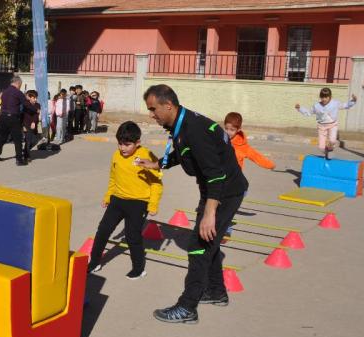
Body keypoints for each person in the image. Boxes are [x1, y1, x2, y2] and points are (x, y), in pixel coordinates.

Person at [137, 84, 248, 324]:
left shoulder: (193, 129)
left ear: (168, 105)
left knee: (198, 245)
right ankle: (216, 292)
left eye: (153, 109)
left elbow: (215, 174)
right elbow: (184, 153)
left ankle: (187, 307)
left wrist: (209, 213)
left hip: (224, 191)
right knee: (210, 242)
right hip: (216, 188)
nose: (151, 115)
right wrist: (157, 165)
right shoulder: (181, 125)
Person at [88, 121, 163, 278]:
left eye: (127, 145)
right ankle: (94, 262)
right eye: (120, 144)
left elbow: (157, 183)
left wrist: (153, 205)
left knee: (132, 236)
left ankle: (139, 267)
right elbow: (113, 178)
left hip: (138, 203)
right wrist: (108, 196)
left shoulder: (146, 156)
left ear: (138, 142)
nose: (122, 148)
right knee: (103, 231)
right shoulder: (116, 155)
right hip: (117, 200)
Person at [295, 88, 357, 159]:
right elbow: (308, 113)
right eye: (322, 97)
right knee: (321, 147)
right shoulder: (316, 106)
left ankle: (330, 150)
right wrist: (300, 109)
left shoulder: (335, 103)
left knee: (332, 141)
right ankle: (327, 152)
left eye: (326, 97)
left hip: (332, 125)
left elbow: (345, 105)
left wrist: (353, 101)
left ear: (330, 97)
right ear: (320, 97)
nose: (324, 99)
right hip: (321, 126)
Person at [0, 76, 30, 166]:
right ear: (17, 83)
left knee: (2, 137)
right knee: (17, 139)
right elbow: (26, 104)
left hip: (3, 117)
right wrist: (35, 109)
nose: (20, 86)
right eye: (20, 85)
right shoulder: (18, 92)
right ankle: (19, 160)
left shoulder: (4, 92)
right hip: (13, 117)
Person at [23, 90, 41, 157]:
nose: (35, 99)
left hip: (34, 125)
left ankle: (25, 150)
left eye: (36, 98)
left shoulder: (38, 105)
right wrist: (23, 126)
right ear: (30, 97)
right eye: (34, 98)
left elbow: (36, 115)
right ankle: (26, 156)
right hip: (26, 124)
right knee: (28, 140)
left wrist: (34, 122)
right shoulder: (26, 104)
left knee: (34, 140)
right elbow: (22, 116)